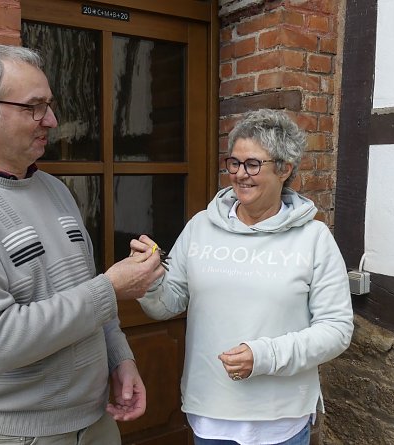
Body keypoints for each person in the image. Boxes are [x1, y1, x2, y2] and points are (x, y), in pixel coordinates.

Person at [0, 44, 164, 445]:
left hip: (97, 421)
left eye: (49, 105)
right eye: (34, 107)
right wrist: (111, 288)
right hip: (20, 436)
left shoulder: (55, 190)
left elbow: (87, 290)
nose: (51, 119)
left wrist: (121, 359)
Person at [129, 109, 354, 445]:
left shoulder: (314, 238)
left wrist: (265, 356)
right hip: (210, 413)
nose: (239, 175)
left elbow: (336, 329)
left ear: (285, 169)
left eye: (252, 164)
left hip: (280, 419)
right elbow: (167, 304)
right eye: (233, 163)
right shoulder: (200, 227)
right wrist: (149, 278)